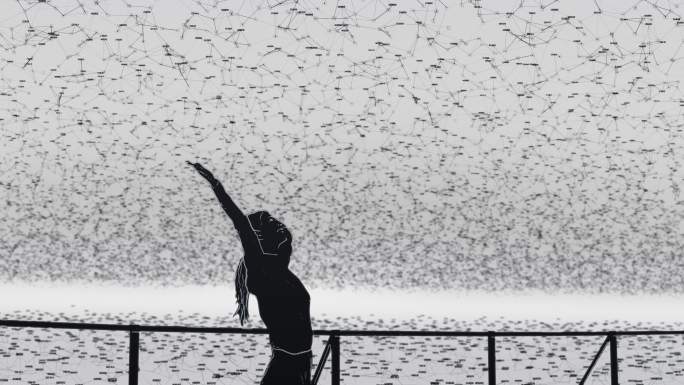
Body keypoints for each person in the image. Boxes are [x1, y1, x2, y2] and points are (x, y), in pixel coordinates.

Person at [187, 161, 312, 385]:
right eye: (274, 226)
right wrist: (216, 185)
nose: (281, 228)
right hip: (288, 364)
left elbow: (285, 241)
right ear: (262, 240)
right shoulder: (261, 267)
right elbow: (241, 223)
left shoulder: (280, 266)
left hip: (302, 364)